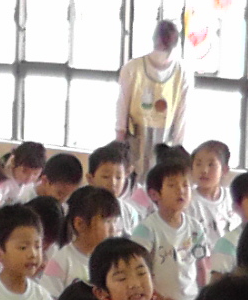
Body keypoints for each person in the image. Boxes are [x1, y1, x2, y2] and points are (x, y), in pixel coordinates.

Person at [116, 21, 191, 184]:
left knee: (159, 181)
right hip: (136, 133)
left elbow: (182, 113)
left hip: (165, 137)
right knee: (135, 180)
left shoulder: (182, 71)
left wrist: (178, 147)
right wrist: (120, 140)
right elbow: (122, 105)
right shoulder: (133, 67)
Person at [133, 158, 208, 300]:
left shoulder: (195, 227)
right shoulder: (146, 229)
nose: (181, 190)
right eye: (172, 185)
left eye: (185, 185)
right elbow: (138, 271)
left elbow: (201, 266)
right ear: (154, 195)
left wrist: (204, 297)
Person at [87, 143, 144, 236]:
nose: (113, 183)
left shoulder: (129, 212)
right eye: (105, 177)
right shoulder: (82, 208)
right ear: (90, 179)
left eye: (118, 177)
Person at [187, 140, 236, 247]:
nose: (204, 170)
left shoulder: (232, 198)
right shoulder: (188, 200)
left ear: (224, 170)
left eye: (211, 165)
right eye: (198, 164)